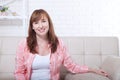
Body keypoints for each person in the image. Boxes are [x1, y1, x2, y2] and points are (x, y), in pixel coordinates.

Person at [14, 9, 108, 80]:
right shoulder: (23, 44)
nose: (41, 26)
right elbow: (19, 72)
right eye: (36, 23)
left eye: (43, 21)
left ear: (49, 24)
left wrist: (93, 70)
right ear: (32, 27)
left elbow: (72, 66)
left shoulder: (59, 44)